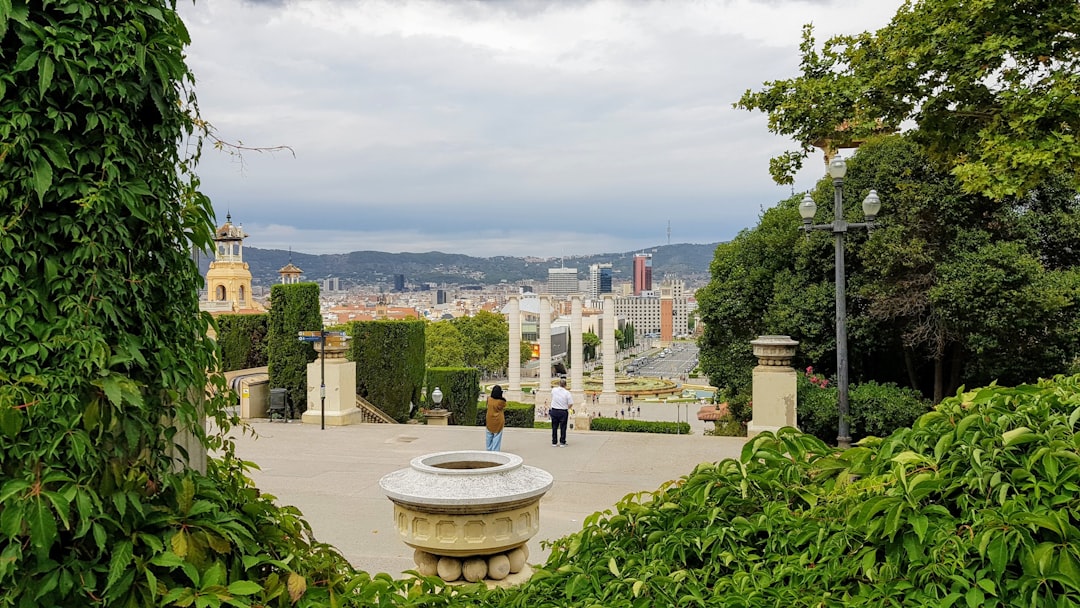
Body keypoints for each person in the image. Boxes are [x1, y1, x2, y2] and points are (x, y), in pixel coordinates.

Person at [549, 378, 573, 447]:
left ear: (559, 384)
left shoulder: (554, 390)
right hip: (563, 411)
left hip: (554, 410)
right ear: (565, 385)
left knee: (554, 427)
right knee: (563, 427)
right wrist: (567, 407)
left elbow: (552, 395)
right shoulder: (567, 393)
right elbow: (571, 403)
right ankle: (562, 442)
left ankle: (554, 442)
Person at [485, 385, 507, 451]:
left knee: (489, 436)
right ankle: (495, 451)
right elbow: (505, 404)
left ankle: (488, 450)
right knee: (497, 437)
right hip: (498, 421)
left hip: (489, 420)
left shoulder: (489, 399)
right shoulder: (501, 402)